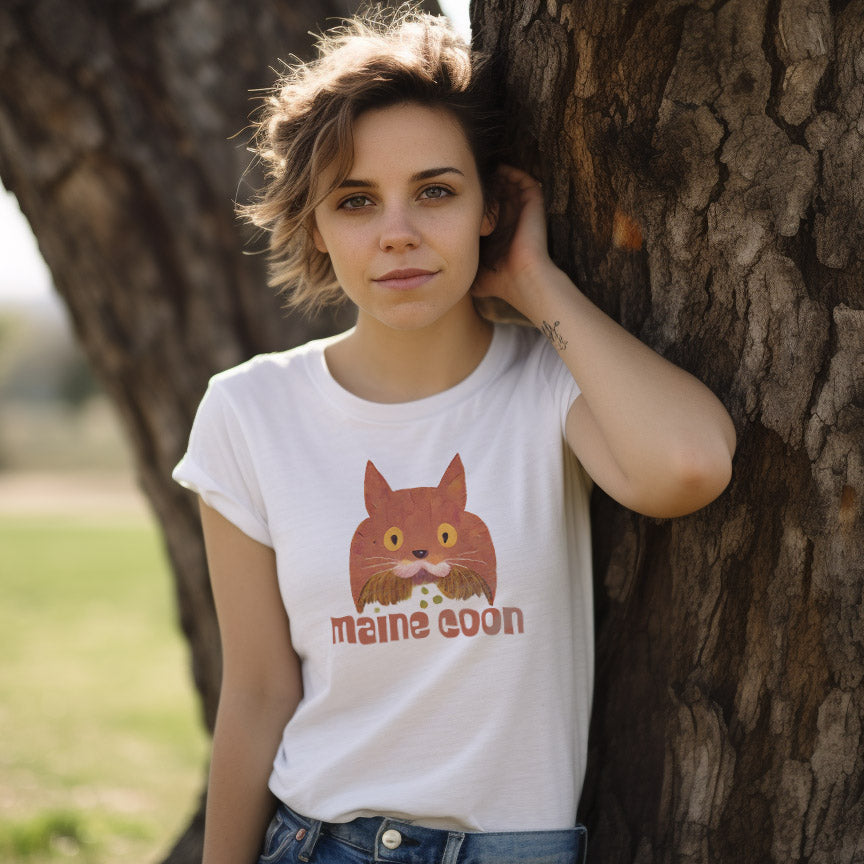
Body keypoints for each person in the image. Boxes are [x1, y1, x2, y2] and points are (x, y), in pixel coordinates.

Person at [173, 8, 737, 864]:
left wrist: (536, 283)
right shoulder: (249, 412)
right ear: (316, 226)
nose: (397, 231)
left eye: (435, 191)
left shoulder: (550, 381)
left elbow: (690, 466)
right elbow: (255, 693)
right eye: (356, 201)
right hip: (319, 842)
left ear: (489, 206)